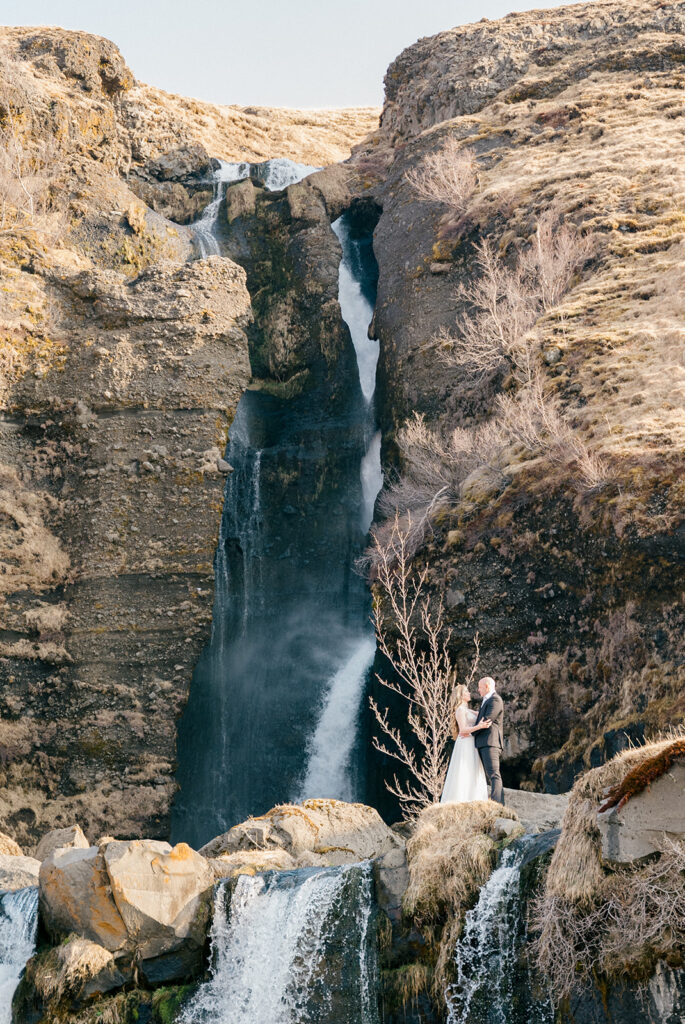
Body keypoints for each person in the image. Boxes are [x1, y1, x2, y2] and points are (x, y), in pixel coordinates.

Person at [440, 682, 490, 804]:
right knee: (465, 769)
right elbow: (462, 730)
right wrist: (480, 726)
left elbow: (479, 714)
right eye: (466, 692)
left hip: (471, 742)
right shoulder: (460, 710)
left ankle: (473, 797)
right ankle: (463, 798)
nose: (469, 693)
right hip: (466, 743)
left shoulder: (467, 710)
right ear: (461, 695)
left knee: (473, 768)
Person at [473, 676, 505, 804]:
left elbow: (487, 720)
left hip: (490, 743)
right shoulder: (486, 700)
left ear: (486, 686)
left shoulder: (495, 700)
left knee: (494, 774)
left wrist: (471, 732)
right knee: (488, 774)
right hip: (483, 743)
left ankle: (497, 804)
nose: (478, 690)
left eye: (480, 687)